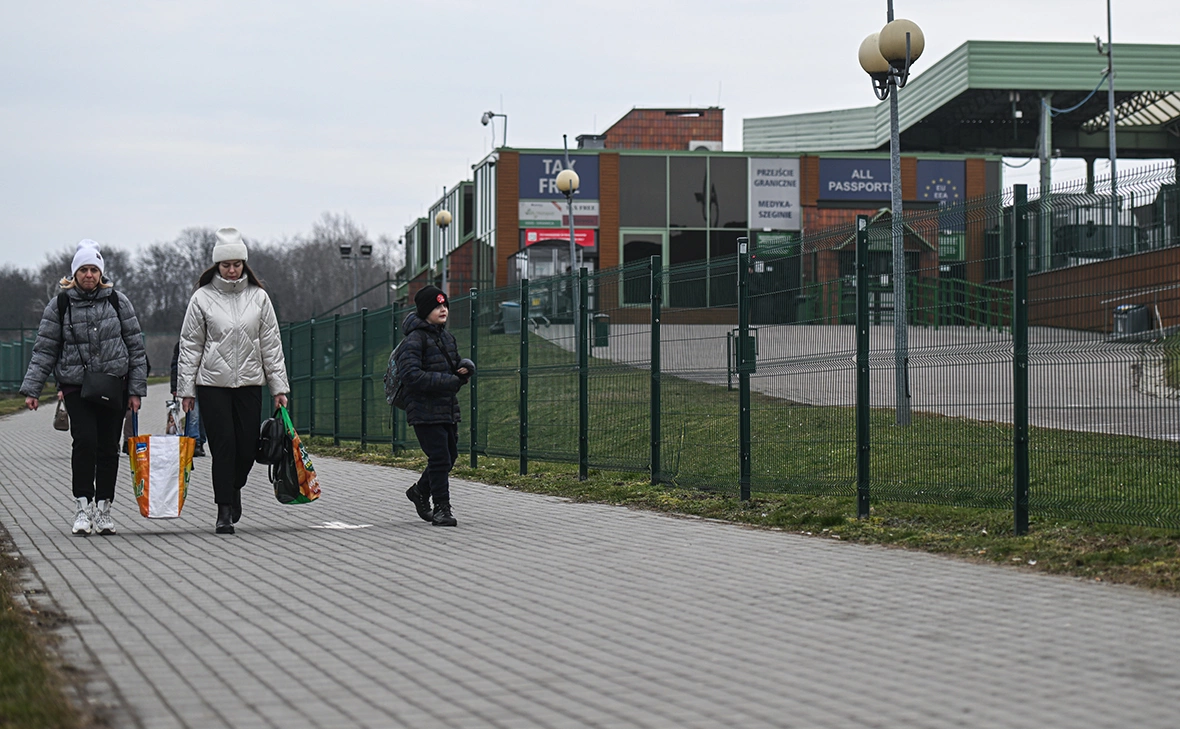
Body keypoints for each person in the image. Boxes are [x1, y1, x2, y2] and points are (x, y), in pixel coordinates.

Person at [20, 240, 148, 536]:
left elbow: (135, 349)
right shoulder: (60, 305)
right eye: (83, 269)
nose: (89, 275)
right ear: (74, 273)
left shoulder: (118, 301)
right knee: (85, 440)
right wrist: (33, 390)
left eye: (94, 269)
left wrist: (135, 391)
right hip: (77, 386)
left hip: (114, 385)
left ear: (100, 273)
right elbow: (45, 349)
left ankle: (104, 509)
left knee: (108, 446)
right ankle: (82, 505)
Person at [176, 228, 289, 535]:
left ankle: (233, 487)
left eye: (236, 264)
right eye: (226, 265)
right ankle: (224, 509)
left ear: (243, 264)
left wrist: (279, 387)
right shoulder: (202, 298)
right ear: (217, 266)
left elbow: (271, 343)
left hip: (250, 383)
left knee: (248, 447)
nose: (231, 269)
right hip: (212, 384)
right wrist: (185, 390)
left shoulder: (259, 297)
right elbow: (190, 345)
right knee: (223, 445)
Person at [398, 285, 472, 527]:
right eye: (436, 306)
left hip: (446, 407)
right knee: (440, 457)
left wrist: (464, 368)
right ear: (424, 311)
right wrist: (449, 381)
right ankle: (442, 508)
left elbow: (449, 368)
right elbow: (411, 376)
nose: (443, 310)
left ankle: (419, 491)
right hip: (423, 409)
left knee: (449, 457)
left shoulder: (446, 337)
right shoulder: (414, 339)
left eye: (445, 305)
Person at [169, 342, 206, 456]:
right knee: (193, 414)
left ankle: (199, 441)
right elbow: (176, 366)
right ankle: (194, 442)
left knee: (203, 415)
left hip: (205, 383)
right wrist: (175, 387)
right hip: (192, 385)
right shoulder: (181, 345)